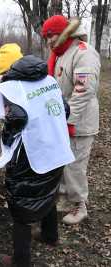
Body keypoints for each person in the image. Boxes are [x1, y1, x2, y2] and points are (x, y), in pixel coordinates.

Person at [0, 44, 75, 267]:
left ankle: (20, 260)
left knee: (22, 203)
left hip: (33, 152)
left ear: (7, 71)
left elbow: (18, 118)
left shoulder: (13, 88)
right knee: (49, 190)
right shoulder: (48, 80)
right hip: (57, 146)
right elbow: (65, 109)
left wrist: (9, 133)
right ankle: (50, 236)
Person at [42, 15, 101, 225]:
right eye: (46, 37)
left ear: (64, 32)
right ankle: (67, 199)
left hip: (79, 121)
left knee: (75, 165)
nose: (49, 40)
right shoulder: (61, 54)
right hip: (63, 119)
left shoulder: (82, 52)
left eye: (52, 35)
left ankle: (79, 205)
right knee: (64, 162)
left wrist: (68, 119)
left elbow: (83, 90)